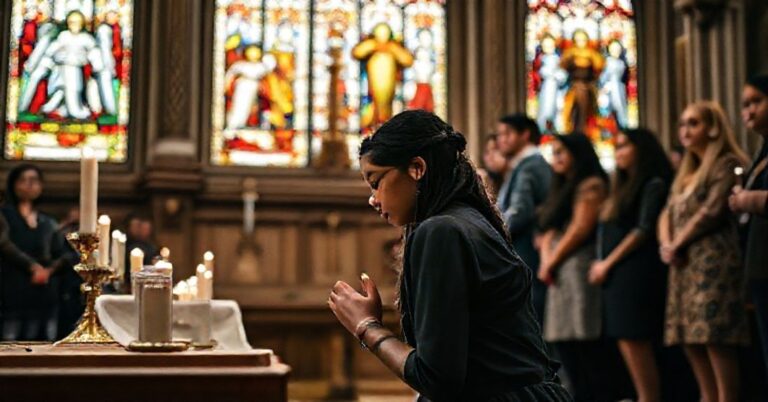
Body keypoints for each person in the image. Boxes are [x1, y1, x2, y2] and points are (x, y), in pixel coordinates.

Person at [328, 110, 570, 401]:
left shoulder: (441, 231)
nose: (372, 198)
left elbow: (437, 378)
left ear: (417, 168)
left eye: (376, 181)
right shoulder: (466, 219)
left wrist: (366, 326)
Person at [659, 101, 751, 402]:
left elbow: (710, 212)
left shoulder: (726, 163)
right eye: (683, 123)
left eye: (694, 123)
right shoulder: (687, 170)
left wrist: (677, 243)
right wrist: (666, 244)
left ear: (713, 128)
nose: (685, 130)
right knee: (691, 340)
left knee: (714, 337)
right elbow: (667, 212)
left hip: (713, 263)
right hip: (683, 265)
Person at [588, 128, 673, 402]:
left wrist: (607, 263)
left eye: (624, 145)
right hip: (617, 274)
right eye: (617, 145)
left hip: (635, 272)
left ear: (642, 149)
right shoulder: (620, 186)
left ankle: (649, 397)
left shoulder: (653, 183)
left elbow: (642, 230)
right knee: (624, 340)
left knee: (635, 338)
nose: (618, 151)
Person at [537, 133, 609, 402]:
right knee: (565, 344)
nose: (556, 158)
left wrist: (551, 260)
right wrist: (547, 260)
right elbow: (548, 229)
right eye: (553, 152)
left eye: (561, 152)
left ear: (578, 154)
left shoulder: (591, 185)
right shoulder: (561, 188)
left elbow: (580, 229)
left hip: (577, 269)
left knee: (583, 342)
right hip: (559, 272)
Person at [1, 164, 77, 341]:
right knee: (10, 344)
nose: (29, 185)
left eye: (34, 180)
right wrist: (32, 266)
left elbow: (61, 253)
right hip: (12, 288)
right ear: (13, 184)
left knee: (43, 342)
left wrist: (48, 271)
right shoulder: (4, 214)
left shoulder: (47, 221)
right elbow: (4, 244)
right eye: (23, 180)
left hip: (44, 292)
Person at [495, 114, 552, 323]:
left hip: (528, 250)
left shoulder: (530, 165)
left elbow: (520, 212)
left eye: (507, 134)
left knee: (531, 315)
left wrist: (492, 233)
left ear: (525, 135)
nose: (501, 139)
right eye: (500, 134)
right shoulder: (524, 165)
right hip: (527, 250)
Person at [730, 74, 768, 383]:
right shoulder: (761, 150)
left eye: (756, 102)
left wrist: (748, 199)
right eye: (744, 105)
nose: (748, 112)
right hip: (759, 265)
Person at [478, 133, 507, 199]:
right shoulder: (481, 177)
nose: (490, 156)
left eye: (495, 149)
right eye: (487, 151)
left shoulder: (513, 178)